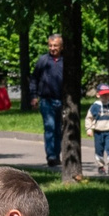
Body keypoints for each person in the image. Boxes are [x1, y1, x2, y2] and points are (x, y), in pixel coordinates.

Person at [32, 33, 68, 165]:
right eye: (50, 45)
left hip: (62, 100)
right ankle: (51, 156)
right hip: (46, 100)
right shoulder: (43, 61)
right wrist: (33, 96)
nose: (52, 48)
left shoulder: (66, 61)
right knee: (50, 127)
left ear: (62, 47)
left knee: (59, 129)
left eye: (55, 46)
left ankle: (57, 155)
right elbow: (34, 78)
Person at [87, 84, 109, 175]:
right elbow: (89, 118)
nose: (106, 97)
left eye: (108, 95)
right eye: (103, 95)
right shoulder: (95, 106)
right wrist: (89, 129)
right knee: (99, 149)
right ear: (98, 95)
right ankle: (101, 167)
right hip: (98, 132)